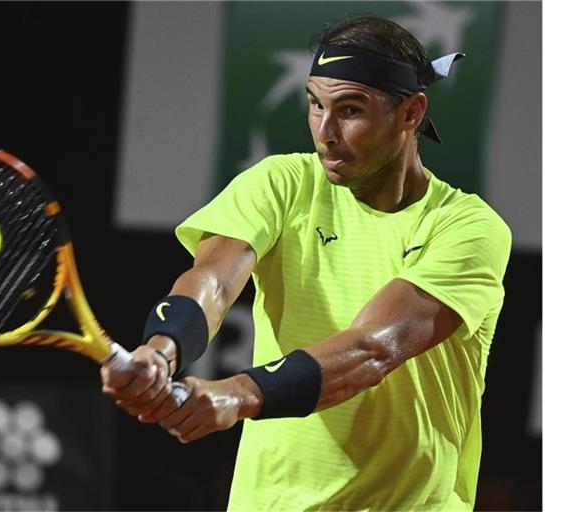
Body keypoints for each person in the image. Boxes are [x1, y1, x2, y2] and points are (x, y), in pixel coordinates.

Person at [101, 15, 511, 511]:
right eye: (315, 104)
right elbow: (210, 281)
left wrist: (238, 392)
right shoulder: (279, 184)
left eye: (351, 109)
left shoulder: (468, 228)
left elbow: (371, 350)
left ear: (410, 113)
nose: (325, 131)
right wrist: (162, 350)